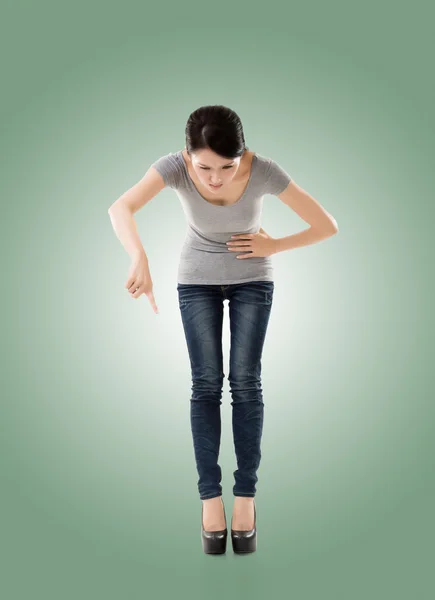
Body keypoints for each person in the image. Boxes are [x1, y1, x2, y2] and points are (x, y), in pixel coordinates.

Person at [108, 104, 338, 554]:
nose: (215, 178)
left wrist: (275, 244)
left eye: (227, 168)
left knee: (247, 384)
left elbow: (326, 225)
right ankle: (210, 499)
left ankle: (246, 498)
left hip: (254, 279)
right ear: (186, 155)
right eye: (204, 167)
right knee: (206, 385)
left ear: (243, 156)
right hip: (196, 280)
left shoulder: (265, 172)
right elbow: (121, 207)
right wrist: (139, 255)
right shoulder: (172, 167)